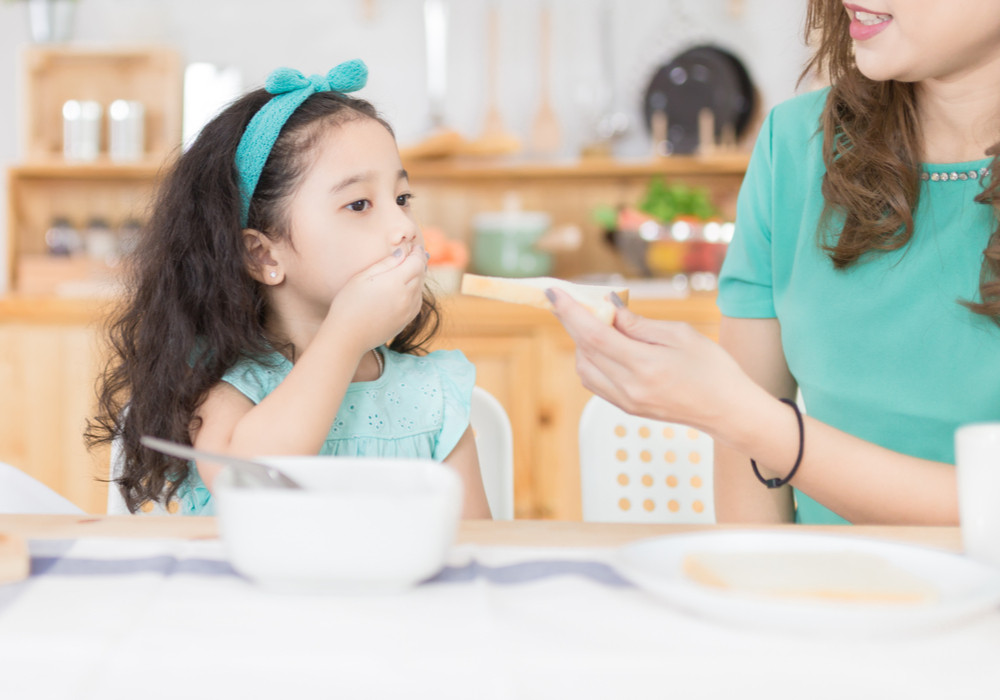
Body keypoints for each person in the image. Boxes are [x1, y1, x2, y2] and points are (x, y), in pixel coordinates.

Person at [547, 0, 1000, 525]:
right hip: (818, 596)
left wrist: (746, 418)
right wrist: (761, 593)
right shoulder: (794, 143)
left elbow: (747, 423)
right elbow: (745, 470)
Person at [87, 60, 491, 519]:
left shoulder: (435, 396)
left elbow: (475, 551)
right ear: (263, 255)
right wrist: (347, 332)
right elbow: (249, 483)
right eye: (359, 204)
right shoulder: (224, 388)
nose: (403, 227)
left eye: (402, 199)